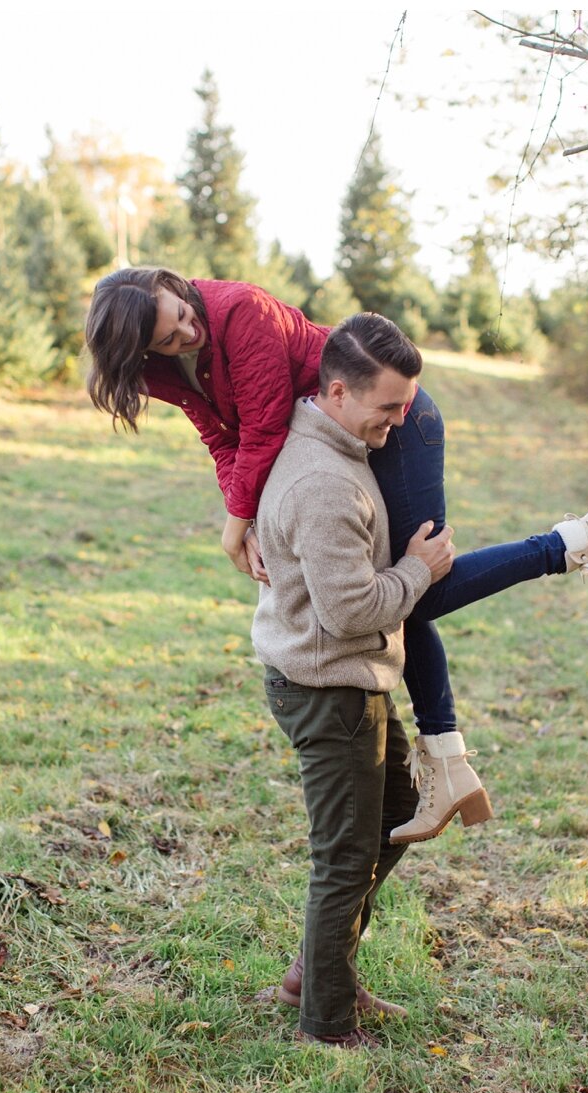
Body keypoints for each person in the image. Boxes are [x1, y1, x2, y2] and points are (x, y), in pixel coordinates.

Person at [83, 268, 588, 843]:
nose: (187, 334)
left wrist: (235, 528)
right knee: (403, 591)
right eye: (168, 338)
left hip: (391, 416)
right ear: (141, 349)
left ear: (179, 287)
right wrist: (248, 520)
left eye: (184, 314)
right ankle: (446, 761)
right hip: (339, 432)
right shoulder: (156, 369)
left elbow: (261, 431)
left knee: (423, 584)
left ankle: (581, 538)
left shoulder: (241, 313)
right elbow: (222, 437)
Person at [250, 313, 444, 1047]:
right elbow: (352, 609)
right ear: (336, 391)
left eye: (406, 405)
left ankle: (321, 968)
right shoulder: (325, 484)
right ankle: (326, 1020)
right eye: (389, 407)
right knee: (344, 856)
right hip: (330, 689)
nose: (400, 420)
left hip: (345, 679)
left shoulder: (334, 442)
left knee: (397, 808)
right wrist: (417, 572)